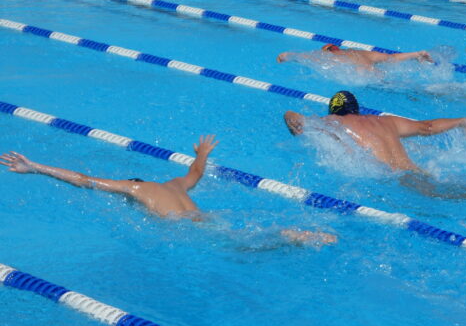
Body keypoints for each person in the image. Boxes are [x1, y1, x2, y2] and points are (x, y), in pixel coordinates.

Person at [0, 136, 336, 245]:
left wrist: (36, 168)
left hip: (189, 227)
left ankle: (293, 236)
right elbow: (195, 171)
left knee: (244, 248)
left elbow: (83, 179)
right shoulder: (173, 184)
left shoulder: (134, 189)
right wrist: (203, 152)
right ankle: (291, 234)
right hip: (203, 217)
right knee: (239, 236)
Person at [284, 91, 466, 199]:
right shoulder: (387, 121)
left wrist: (288, 116)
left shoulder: (334, 122)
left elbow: (297, 118)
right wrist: (461, 121)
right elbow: (426, 127)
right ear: (357, 109)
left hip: (396, 180)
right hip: (416, 172)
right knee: (451, 192)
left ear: (333, 111)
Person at [277, 43, 433, 70]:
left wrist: (287, 56)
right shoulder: (359, 52)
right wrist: (415, 54)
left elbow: (305, 57)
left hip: (366, 77)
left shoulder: (331, 58)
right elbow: (392, 58)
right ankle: (419, 54)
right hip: (374, 70)